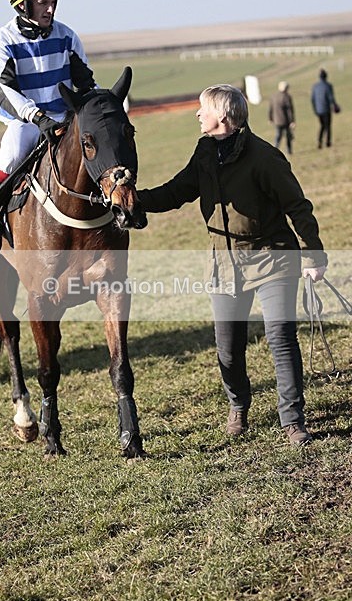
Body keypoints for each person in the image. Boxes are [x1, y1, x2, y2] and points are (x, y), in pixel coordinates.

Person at [137, 84, 328, 446]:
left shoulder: (264, 157)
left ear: (223, 116)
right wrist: (134, 200)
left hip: (272, 257)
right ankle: (238, 406)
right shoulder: (205, 152)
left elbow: (297, 206)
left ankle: (292, 420)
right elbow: (177, 192)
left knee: (280, 339)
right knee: (228, 346)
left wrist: (313, 255)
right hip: (223, 264)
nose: (198, 114)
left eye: (203, 109)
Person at [0, 0, 96, 250]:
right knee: (11, 156)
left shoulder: (67, 36)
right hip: (26, 122)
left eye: (53, 2)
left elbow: (85, 83)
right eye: (43, 3)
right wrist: (39, 118)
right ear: (22, 5)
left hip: (65, 118)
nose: (51, 9)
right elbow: (7, 93)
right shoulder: (0, 44)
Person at [311, 68, 338, 149]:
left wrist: (315, 109)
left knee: (322, 126)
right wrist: (335, 105)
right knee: (328, 126)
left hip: (318, 110)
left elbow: (312, 99)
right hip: (326, 109)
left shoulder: (315, 86)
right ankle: (328, 142)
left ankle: (319, 141)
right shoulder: (328, 86)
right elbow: (331, 97)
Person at [269, 81, 295, 155]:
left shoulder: (274, 96)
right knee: (288, 136)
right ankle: (289, 150)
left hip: (277, 120)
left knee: (278, 136)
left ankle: (275, 149)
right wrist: (292, 121)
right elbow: (290, 110)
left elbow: (271, 108)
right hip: (286, 120)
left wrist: (270, 118)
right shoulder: (287, 97)